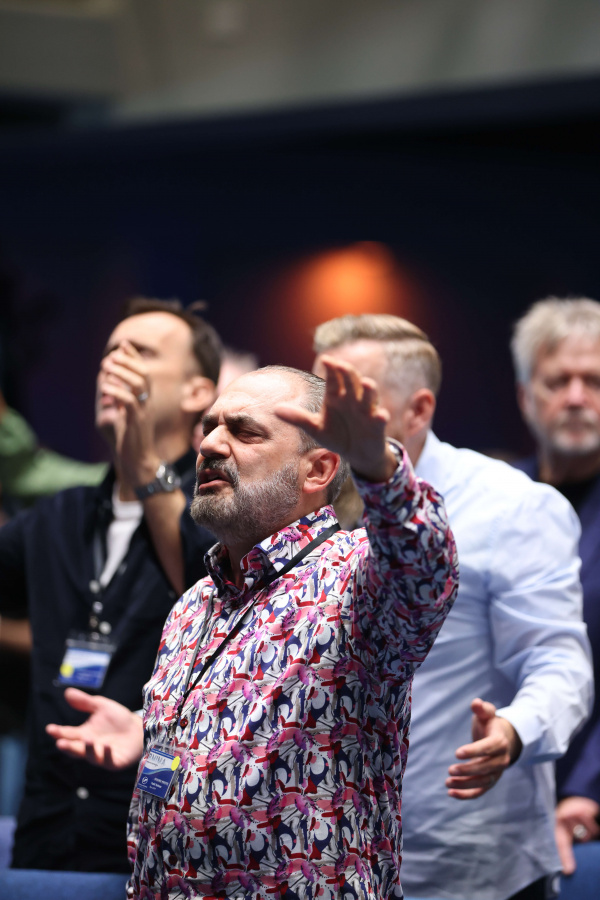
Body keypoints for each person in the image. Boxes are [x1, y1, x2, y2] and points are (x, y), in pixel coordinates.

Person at [47, 359, 459, 899]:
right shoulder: (195, 603)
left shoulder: (356, 577)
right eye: (209, 427)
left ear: (318, 470)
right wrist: (151, 730)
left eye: (244, 432)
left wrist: (380, 467)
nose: (210, 445)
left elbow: (424, 566)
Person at [312, 313, 593, 900]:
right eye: (322, 398)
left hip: (463, 859)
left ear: (417, 411)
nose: (327, 420)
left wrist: (513, 730)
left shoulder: (511, 505)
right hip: (323, 860)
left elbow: (559, 665)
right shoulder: (307, 503)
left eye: (353, 401)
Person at [0, 297, 221, 873]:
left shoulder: (223, 516)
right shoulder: (57, 515)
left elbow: (207, 577)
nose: (114, 364)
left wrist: (143, 459)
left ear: (198, 393)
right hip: (46, 831)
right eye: (110, 351)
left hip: (157, 840)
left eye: (140, 352)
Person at [512, 296, 600, 875]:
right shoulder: (498, 498)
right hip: (496, 792)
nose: (574, 397)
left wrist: (588, 790)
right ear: (526, 397)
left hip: (585, 805)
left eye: (593, 381)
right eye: (557, 381)